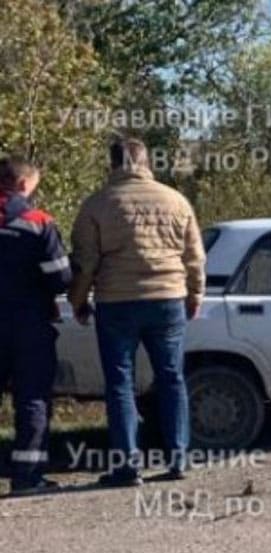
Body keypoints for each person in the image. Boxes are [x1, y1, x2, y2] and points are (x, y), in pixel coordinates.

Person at [69, 138, 206, 486]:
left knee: (120, 383)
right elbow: (194, 256)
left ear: (112, 164)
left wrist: (78, 301)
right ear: (148, 161)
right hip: (168, 299)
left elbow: (86, 263)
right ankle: (178, 459)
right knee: (171, 378)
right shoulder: (176, 200)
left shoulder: (97, 204)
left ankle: (126, 465)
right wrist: (195, 294)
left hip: (117, 302)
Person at [0, 158, 72, 496]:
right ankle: (27, 476)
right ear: (24, 184)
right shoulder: (37, 221)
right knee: (32, 399)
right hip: (27, 322)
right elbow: (60, 277)